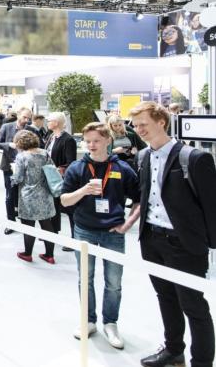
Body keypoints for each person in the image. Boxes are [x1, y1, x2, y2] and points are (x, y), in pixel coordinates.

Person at [130, 102, 216, 367]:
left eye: (144, 124)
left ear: (161, 122)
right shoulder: (143, 157)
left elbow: (211, 206)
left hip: (184, 244)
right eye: (136, 125)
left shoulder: (194, 158)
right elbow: (144, 196)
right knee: (165, 298)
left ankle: (201, 361)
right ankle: (173, 350)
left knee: (193, 305)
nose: (139, 129)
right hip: (151, 240)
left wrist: (211, 247)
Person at [60, 122, 141, 350]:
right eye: (88, 141)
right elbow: (64, 200)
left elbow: (139, 200)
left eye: (96, 140)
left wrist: (127, 224)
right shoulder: (77, 168)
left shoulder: (122, 168)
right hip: (84, 230)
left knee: (113, 282)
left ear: (108, 140)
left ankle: (110, 323)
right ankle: (88, 321)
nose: (91, 145)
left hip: (113, 233)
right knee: (85, 278)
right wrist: (84, 190)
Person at [10, 130, 57, 264]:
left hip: (28, 196)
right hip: (45, 194)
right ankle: (50, 255)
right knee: (47, 225)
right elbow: (52, 170)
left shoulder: (22, 156)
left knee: (28, 226)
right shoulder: (44, 153)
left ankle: (28, 254)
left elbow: (18, 178)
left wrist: (11, 176)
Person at [0, 107, 33, 234]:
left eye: (28, 118)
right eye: (24, 117)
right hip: (9, 167)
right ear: (18, 115)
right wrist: (8, 145)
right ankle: (10, 223)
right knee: (10, 195)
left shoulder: (31, 129)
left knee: (25, 194)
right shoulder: (6, 127)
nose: (26, 120)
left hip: (26, 167)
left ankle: (25, 222)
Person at [45, 112, 78, 246]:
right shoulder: (51, 136)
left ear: (56, 122)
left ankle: (75, 239)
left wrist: (59, 170)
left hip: (62, 179)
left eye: (49, 120)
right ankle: (54, 233)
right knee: (53, 206)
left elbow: (71, 162)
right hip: (51, 177)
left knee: (69, 208)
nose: (47, 123)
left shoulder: (68, 140)